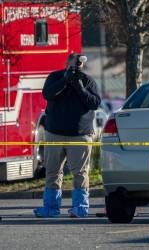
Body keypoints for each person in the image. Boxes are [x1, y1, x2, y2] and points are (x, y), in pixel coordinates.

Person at [33, 53, 101, 218]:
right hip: (54, 133)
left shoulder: (87, 80)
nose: (77, 66)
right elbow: (47, 94)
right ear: (67, 63)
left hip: (80, 135)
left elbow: (94, 103)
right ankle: (51, 208)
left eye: (79, 64)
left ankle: (80, 207)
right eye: (74, 63)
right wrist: (65, 80)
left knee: (80, 173)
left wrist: (79, 87)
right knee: (52, 172)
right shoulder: (55, 77)